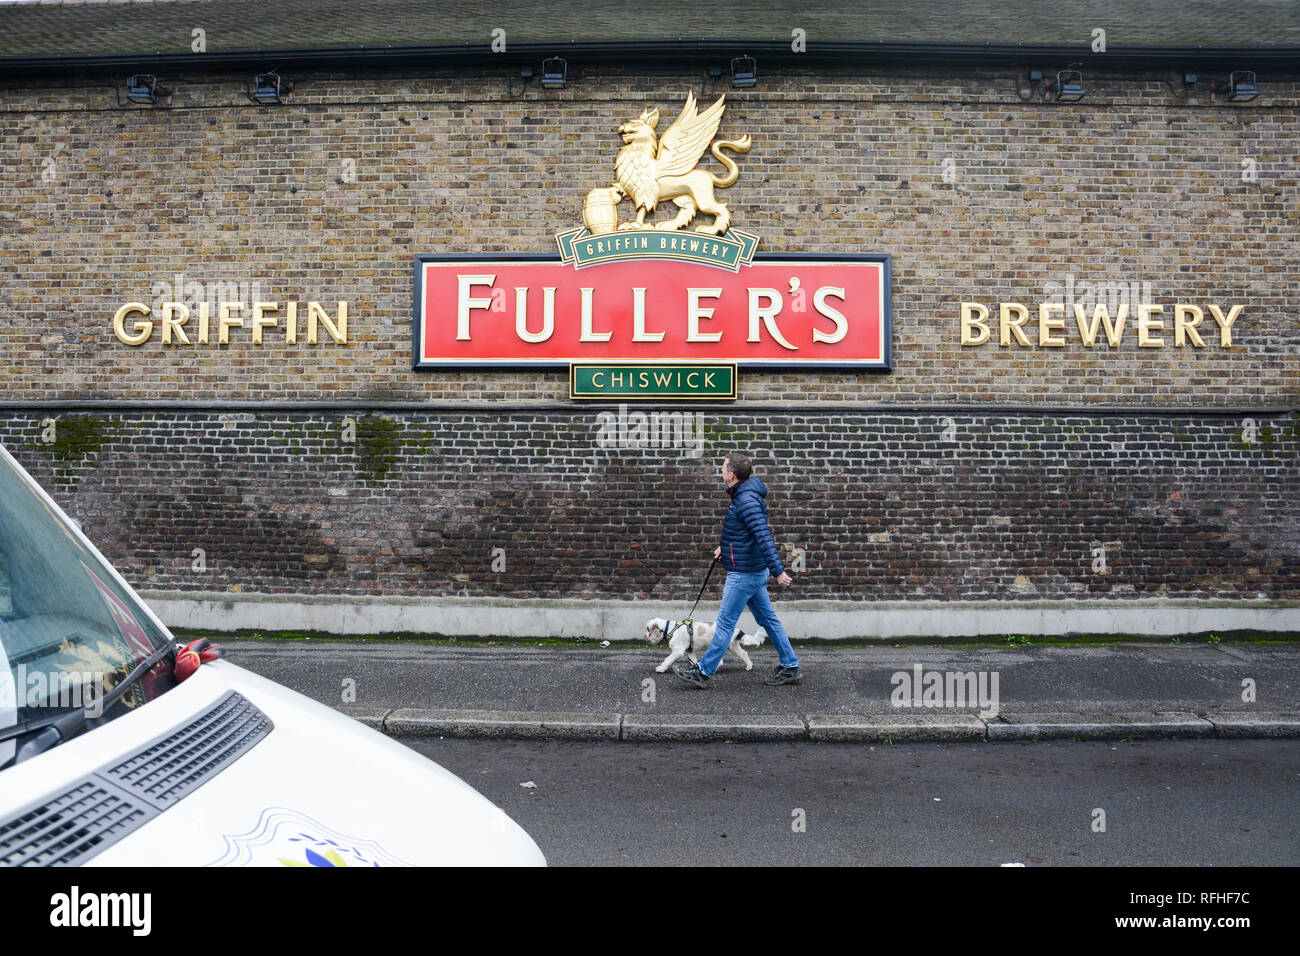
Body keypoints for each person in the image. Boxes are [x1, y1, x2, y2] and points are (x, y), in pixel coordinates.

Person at [673, 452, 801, 687]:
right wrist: (726, 546)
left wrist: (779, 571)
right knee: (768, 620)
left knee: (724, 624)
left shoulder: (746, 500)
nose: (720, 471)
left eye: (723, 468)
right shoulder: (743, 496)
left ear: (731, 474)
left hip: (744, 574)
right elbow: (746, 532)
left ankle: (703, 672)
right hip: (751, 570)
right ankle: (790, 665)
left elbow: (763, 536)